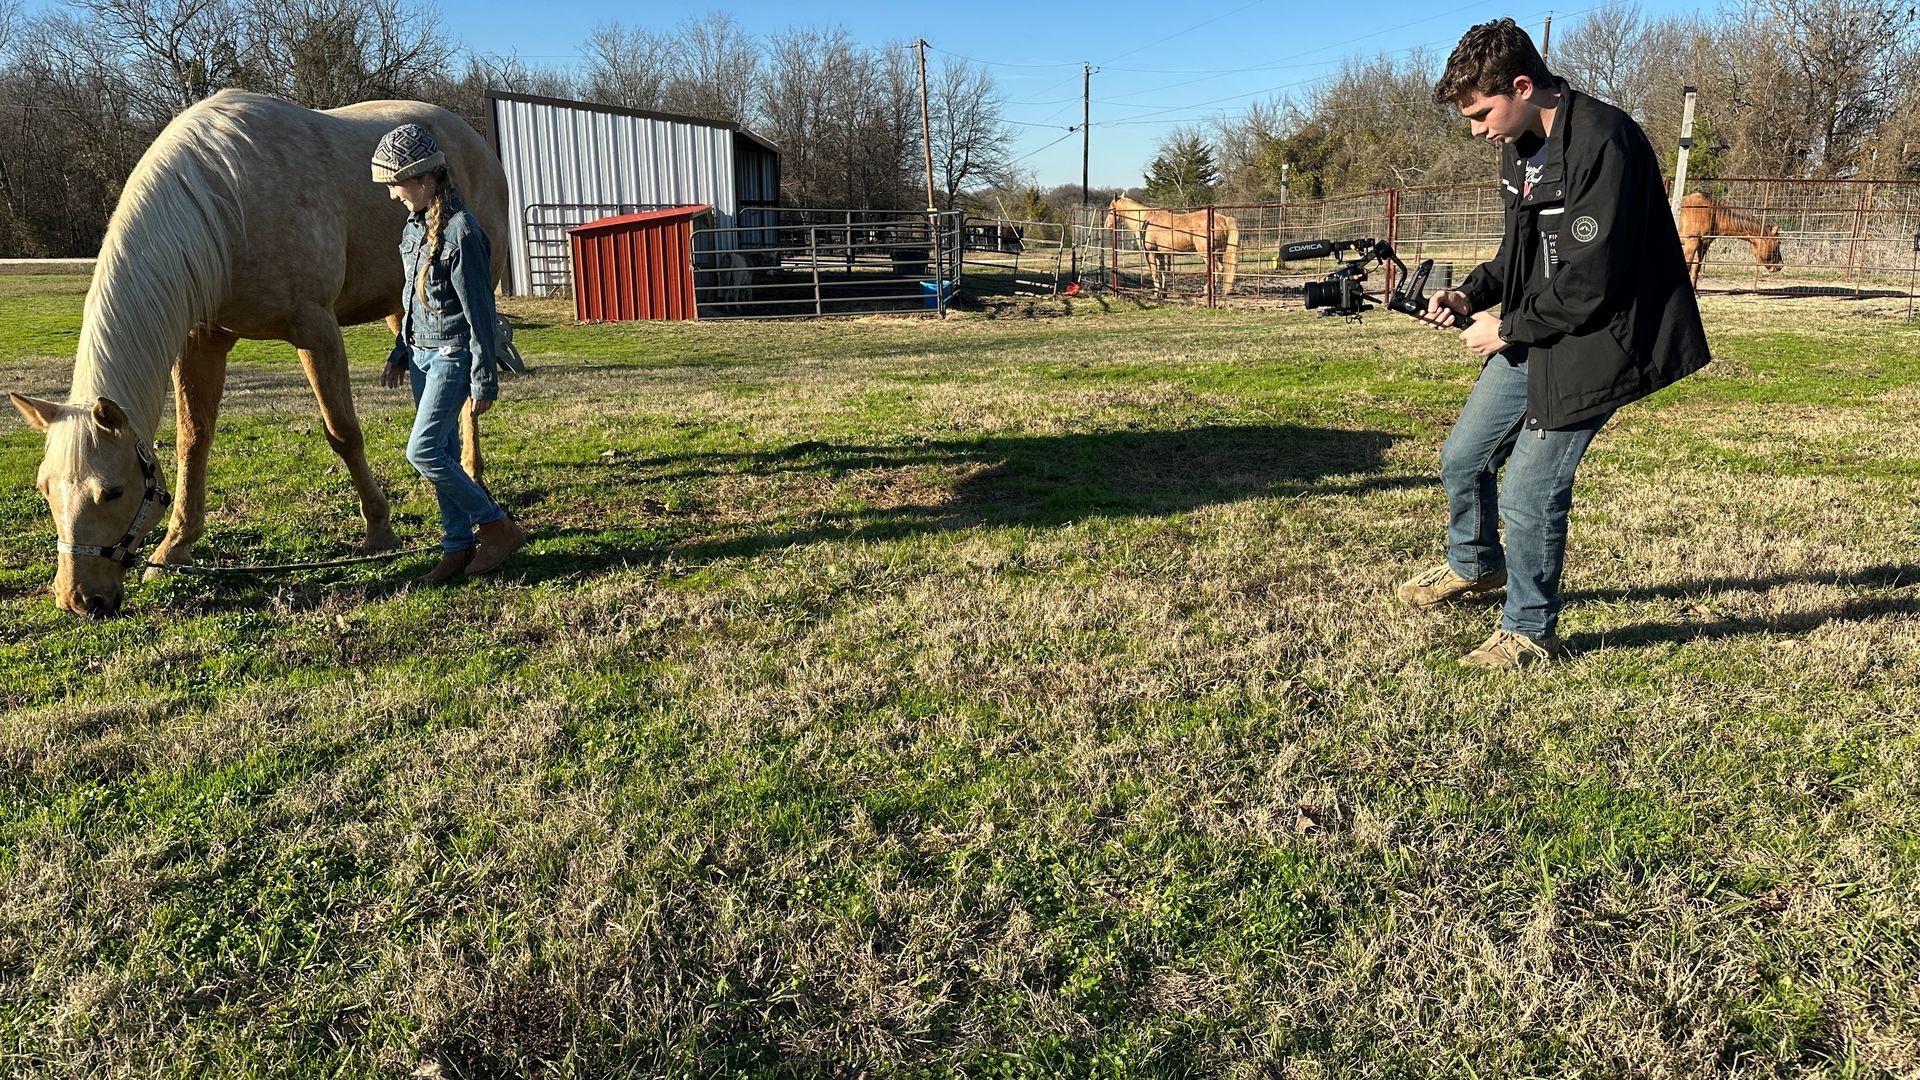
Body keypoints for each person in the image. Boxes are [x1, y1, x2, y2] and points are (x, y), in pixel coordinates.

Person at [1399, 18, 1710, 668]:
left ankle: (1530, 632)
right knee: (1464, 458)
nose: (1477, 129)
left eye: (1482, 113)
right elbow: (1517, 254)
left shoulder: (1604, 142)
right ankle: (1476, 567)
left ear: (1521, 85)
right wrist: (1471, 297)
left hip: (1603, 338)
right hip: (1541, 325)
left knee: (1529, 492)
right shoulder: (1520, 145)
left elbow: (1594, 278)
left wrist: (1507, 328)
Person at [371, 123, 526, 582]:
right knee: (441, 447)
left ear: (421, 179)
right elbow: (411, 299)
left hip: (452, 356)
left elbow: (480, 312)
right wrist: (401, 352)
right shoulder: (414, 229)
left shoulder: (461, 233)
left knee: (422, 453)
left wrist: (484, 379)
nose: (392, 195)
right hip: (420, 355)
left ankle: (496, 526)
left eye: (395, 184)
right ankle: (456, 547)